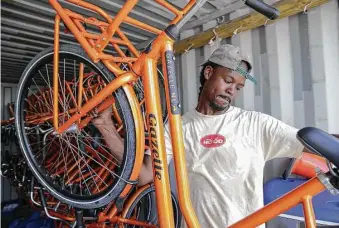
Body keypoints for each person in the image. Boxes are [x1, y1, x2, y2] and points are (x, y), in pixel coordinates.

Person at [91, 44, 313, 227]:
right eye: (228, 81)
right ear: (208, 73)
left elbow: (310, 143)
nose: (231, 91)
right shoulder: (177, 128)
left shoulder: (256, 124)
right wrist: (106, 127)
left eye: (238, 87)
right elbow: (144, 174)